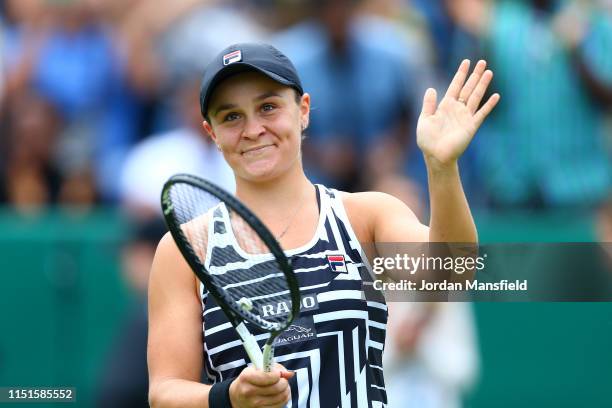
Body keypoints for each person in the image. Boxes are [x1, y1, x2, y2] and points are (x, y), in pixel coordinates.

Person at [147, 43, 499, 407]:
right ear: (212, 133)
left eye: (268, 107)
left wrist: (442, 168)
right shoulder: (184, 250)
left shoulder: (366, 217)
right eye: (231, 116)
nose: (252, 129)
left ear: (303, 111)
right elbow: (164, 393)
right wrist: (230, 396)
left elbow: (449, 273)